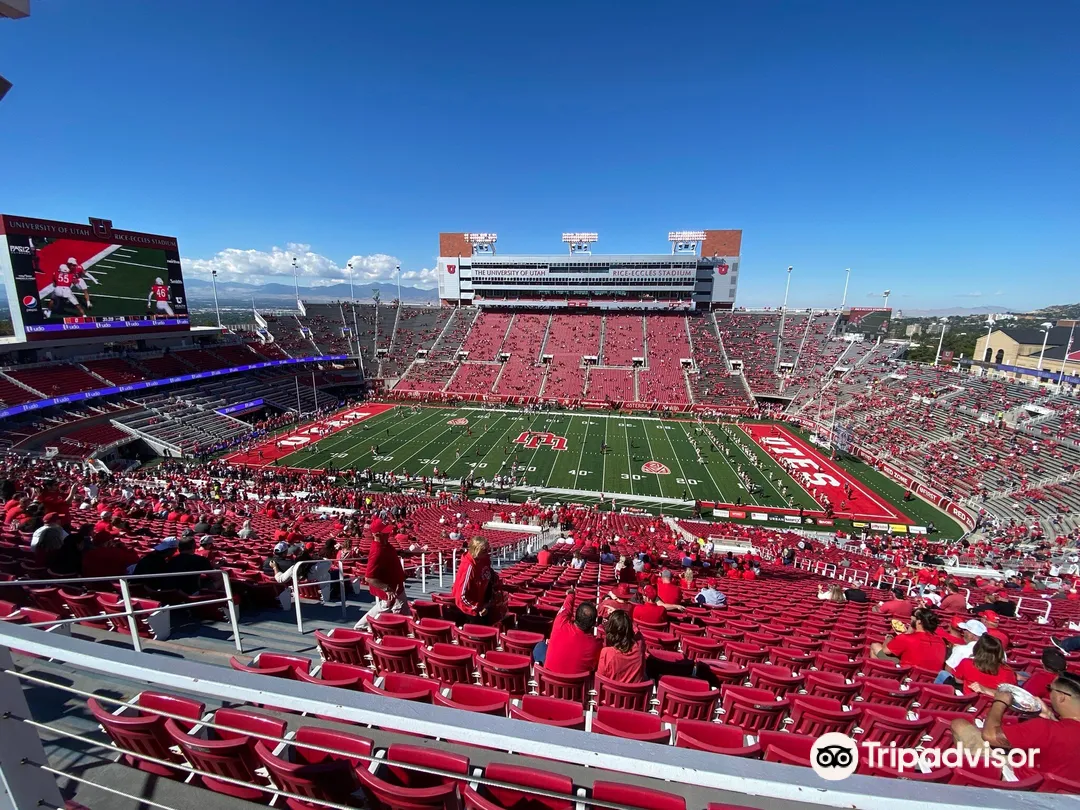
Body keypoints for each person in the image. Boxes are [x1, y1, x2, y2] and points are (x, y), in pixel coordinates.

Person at [950, 672, 1080, 782]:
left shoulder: (1044, 728)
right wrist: (1051, 716)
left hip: (1020, 782)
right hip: (1061, 792)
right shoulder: (1054, 727)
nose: (1049, 693)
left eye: (1050, 689)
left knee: (959, 724)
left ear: (1061, 697)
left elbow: (989, 735)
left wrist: (1000, 702)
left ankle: (964, 778)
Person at [535, 587, 602, 674]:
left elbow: (566, 609)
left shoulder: (560, 623)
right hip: (576, 682)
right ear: (593, 624)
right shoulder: (596, 645)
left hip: (548, 678)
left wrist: (571, 594)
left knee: (540, 646)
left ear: (575, 616)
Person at [355, 525, 409, 630]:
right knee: (386, 606)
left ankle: (405, 628)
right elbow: (369, 578)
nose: (388, 533)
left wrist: (398, 553)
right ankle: (360, 626)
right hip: (391, 588)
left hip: (396, 585)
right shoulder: (377, 551)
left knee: (397, 608)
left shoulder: (385, 544)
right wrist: (387, 589)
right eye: (385, 532)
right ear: (377, 534)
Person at [869, 607, 946, 672]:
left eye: (913, 615)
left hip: (907, 674)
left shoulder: (906, 638)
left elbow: (885, 650)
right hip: (930, 677)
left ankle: (875, 675)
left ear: (919, 622)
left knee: (875, 646)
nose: (911, 617)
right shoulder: (941, 641)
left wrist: (889, 638)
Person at [452, 536, 497, 622]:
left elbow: (487, 572)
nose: (487, 552)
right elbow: (461, 596)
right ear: (476, 550)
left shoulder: (484, 559)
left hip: (482, 601)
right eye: (484, 550)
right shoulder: (468, 566)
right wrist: (477, 608)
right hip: (470, 608)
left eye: (487, 549)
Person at [596, 609, 645, 683]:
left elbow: (599, 679)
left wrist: (618, 619)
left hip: (611, 690)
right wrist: (624, 619)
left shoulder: (606, 653)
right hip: (635, 690)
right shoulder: (639, 646)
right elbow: (637, 631)